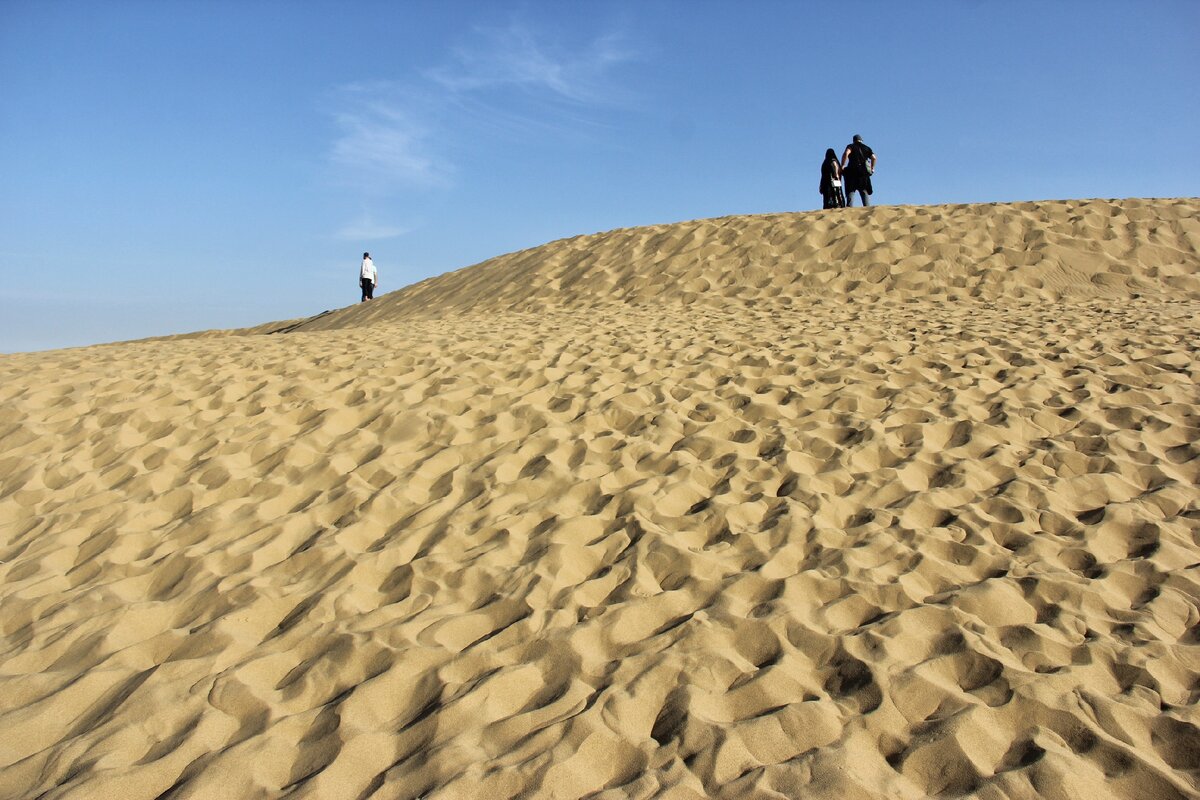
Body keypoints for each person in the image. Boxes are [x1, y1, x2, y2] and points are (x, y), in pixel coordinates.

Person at [841, 134, 877, 207]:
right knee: (864, 190)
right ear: (861, 140)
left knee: (851, 191)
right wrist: (872, 168)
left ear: (854, 140)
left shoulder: (851, 146)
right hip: (863, 173)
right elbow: (874, 157)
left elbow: (846, 153)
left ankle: (849, 209)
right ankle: (867, 208)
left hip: (852, 171)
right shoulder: (866, 148)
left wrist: (843, 165)